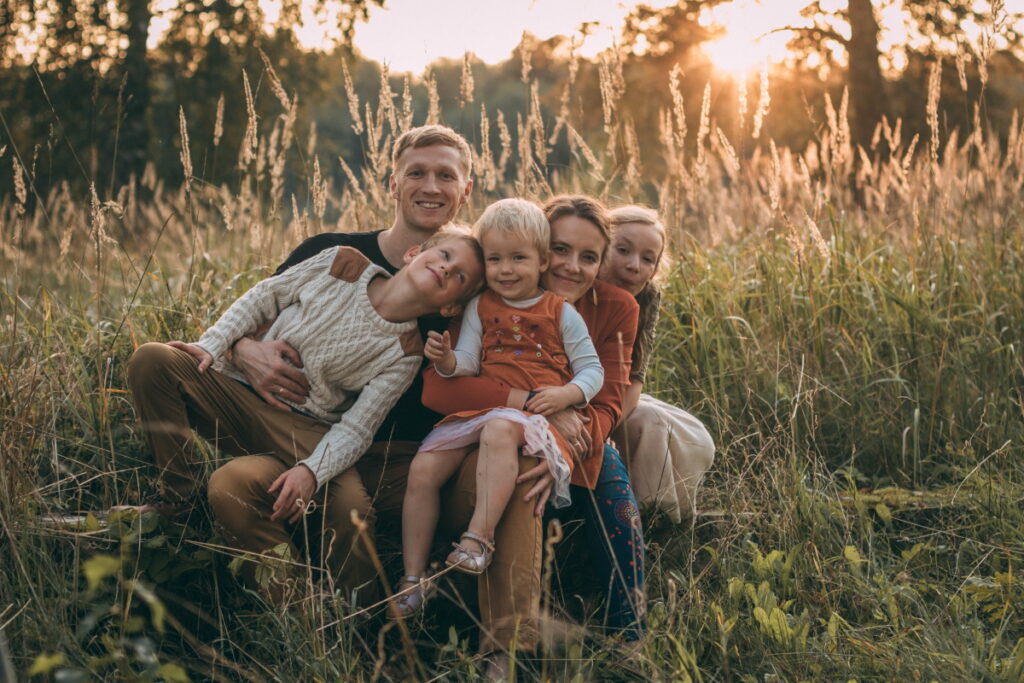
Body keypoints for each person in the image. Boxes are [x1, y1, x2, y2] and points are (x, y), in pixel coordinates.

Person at [124, 226, 484, 601]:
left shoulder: (406, 352)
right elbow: (264, 296)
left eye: (459, 275)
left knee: (351, 506)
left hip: (302, 428)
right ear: (412, 254)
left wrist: (312, 470)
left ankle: (344, 617)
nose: (446, 268)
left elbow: (358, 428)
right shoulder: (341, 262)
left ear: (451, 307)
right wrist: (213, 344)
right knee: (154, 359)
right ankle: (178, 498)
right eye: (444, 255)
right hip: (237, 396)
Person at [421, 195, 645, 673]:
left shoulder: (615, 306)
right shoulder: (492, 295)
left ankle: (630, 635)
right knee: (519, 472)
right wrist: (528, 404)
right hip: (494, 434)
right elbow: (443, 387)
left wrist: (560, 445)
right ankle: (505, 648)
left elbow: (607, 400)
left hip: (581, 436)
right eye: (561, 249)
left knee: (618, 505)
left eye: (588, 257)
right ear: (541, 248)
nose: (571, 266)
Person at [397, 199, 604, 616]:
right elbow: (469, 364)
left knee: (498, 430)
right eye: (494, 259)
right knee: (423, 468)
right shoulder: (480, 305)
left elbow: (592, 371)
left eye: (518, 259)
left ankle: (479, 539)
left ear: (543, 261)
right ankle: (412, 579)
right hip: (487, 411)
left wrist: (565, 396)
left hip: (531, 416)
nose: (505, 270)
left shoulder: (560, 312)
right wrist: (445, 360)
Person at [601, 206, 715, 523]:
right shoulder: (574, 281)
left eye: (648, 259)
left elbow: (633, 382)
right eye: (622, 250)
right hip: (575, 395)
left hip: (613, 398)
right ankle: (645, 521)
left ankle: (654, 520)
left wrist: (602, 427)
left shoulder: (647, 297)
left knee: (695, 437)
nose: (633, 265)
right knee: (650, 422)